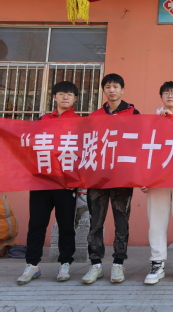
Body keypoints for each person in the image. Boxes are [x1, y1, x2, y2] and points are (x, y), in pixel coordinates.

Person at [16, 81, 81, 285]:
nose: (65, 97)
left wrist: (78, 180)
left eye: (69, 94)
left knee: (66, 225)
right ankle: (32, 265)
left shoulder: (81, 123)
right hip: (41, 182)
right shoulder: (41, 121)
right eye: (61, 94)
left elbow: (85, 153)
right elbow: (27, 149)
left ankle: (65, 263)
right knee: (36, 224)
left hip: (66, 184)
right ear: (54, 97)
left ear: (75, 99)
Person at [82, 73, 140, 285]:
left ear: (122, 89)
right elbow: (86, 145)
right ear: (104, 90)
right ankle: (95, 264)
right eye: (108, 87)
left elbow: (140, 144)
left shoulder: (133, 114)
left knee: (121, 220)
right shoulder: (94, 116)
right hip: (97, 177)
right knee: (95, 222)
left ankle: (118, 263)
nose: (112, 90)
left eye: (116, 86)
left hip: (122, 177)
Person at [141, 81, 173, 285]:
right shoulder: (151, 121)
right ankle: (157, 263)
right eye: (166, 92)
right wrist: (143, 177)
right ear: (161, 97)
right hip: (157, 178)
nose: (170, 95)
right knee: (156, 221)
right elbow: (143, 149)